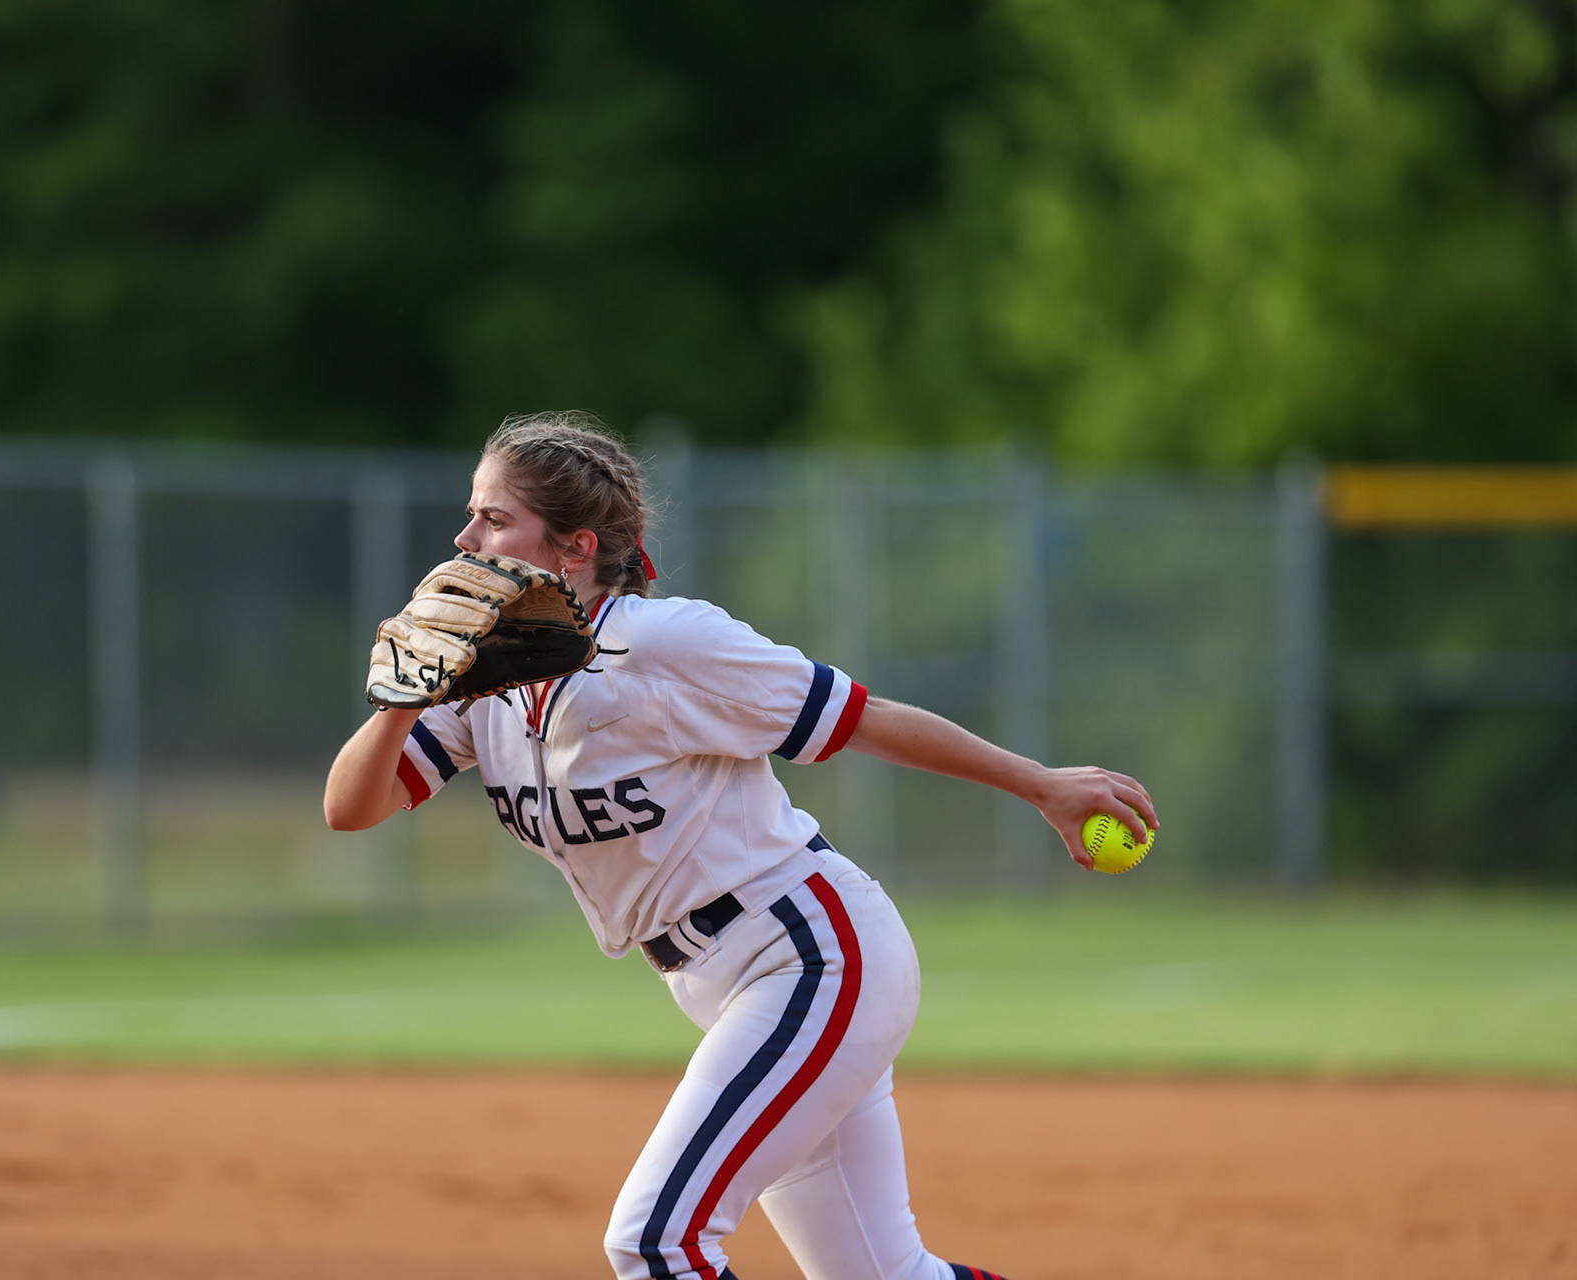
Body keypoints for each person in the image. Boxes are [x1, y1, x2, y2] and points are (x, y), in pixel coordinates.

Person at [324, 412, 1158, 1280]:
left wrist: (1041, 784)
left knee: (656, 1242)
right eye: (472, 514)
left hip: (812, 956)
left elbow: (862, 720)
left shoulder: (663, 644)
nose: (464, 536)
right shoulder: (482, 677)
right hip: (725, 983)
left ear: (573, 547)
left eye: (494, 518)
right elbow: (352, 809)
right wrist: (401, 700)